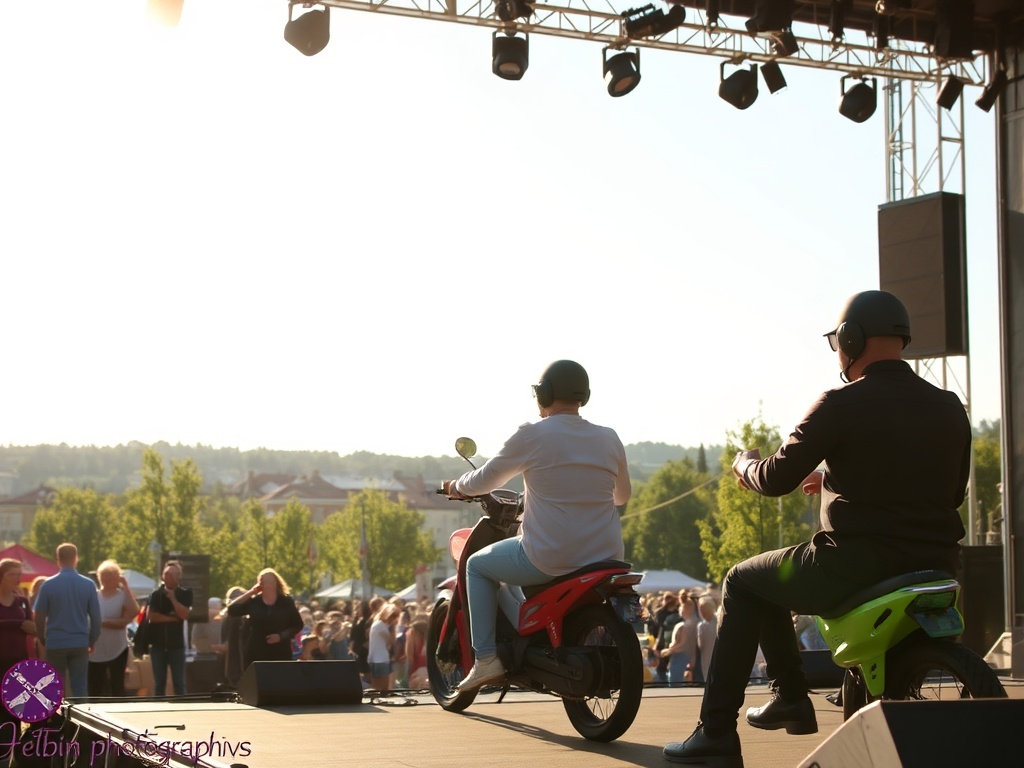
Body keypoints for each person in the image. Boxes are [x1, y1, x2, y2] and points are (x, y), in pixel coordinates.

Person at [663, 290, 971, 766]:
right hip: (938, 563)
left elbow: (777, 477)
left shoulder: (841, 401)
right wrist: (831, 477)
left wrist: (745, 465)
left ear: (850, 339)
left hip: (854, 565)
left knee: (743, 581)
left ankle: (721, 730)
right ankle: (793, 698)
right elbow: (948, 493)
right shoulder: (949, 405)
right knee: (768, 580)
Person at [443, 359, 631, 691]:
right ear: (583, 396)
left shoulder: (532, 435)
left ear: (543, 394)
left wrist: (457, 486)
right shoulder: (609, 437)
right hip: (606, 556)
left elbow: (484, 480)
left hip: (550, 557)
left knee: (476, 566)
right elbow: (621, 496)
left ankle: (486, 659)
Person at [33, 543, 102, 698]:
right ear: (76, 558)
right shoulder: (88, 585)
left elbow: (39, 614)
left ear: (58, 559)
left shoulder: (48, 585)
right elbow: (96, 617)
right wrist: (92, 639)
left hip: (56, 641)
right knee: (79, 686)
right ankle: (80, 719)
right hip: (79, 641)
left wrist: (41, 636)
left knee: (54, 685)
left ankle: (55, 720)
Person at [226, 568, 303, 669]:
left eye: (270, 581)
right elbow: (231, 610)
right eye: (263, 582)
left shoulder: (286, 602)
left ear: (276, 583)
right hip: (256, 652)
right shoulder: (254, 602)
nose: (267, 584)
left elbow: (298, 624)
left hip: (280, 652)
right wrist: (250, 592)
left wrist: (281, 636)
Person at [88, 559, 139, 697]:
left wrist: (125, 585)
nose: (107, 579)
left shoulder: (122, 595)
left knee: (117, 686)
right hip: (96, 648)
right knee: (95, 687)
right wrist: (114, 623)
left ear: (117, 577)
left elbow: (134, 611)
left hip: (118, 647)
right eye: (104, 576)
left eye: (111, 576)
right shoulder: (94, 596)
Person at [146, 560, 193, 696]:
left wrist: (173, 599)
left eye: (172, 575)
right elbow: (152, 617)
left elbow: (184, 614)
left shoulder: (186, 593)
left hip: (176, 646)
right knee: (159, 684)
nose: (168, 578)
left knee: (179, 683)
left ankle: (182, 710)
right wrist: (172, 618)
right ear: (162, 576)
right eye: (166, 574)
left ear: (178, 577)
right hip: (158, 646)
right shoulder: (156, 595)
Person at [0, 558, 37, 728]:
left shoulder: (22, 601)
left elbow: (33, 629)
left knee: (14, 705)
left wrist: (32, 627)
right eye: (12, 574)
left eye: (19, 574)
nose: (17, 578)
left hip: (18, 660)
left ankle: (10, 748)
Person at [367, 603, 400, 691]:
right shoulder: (380, 626)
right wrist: (393, 628)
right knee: (383, 687)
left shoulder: (377, 624)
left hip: (375, 658)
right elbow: (392, 641)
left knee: (376, 686)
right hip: (380, 659)